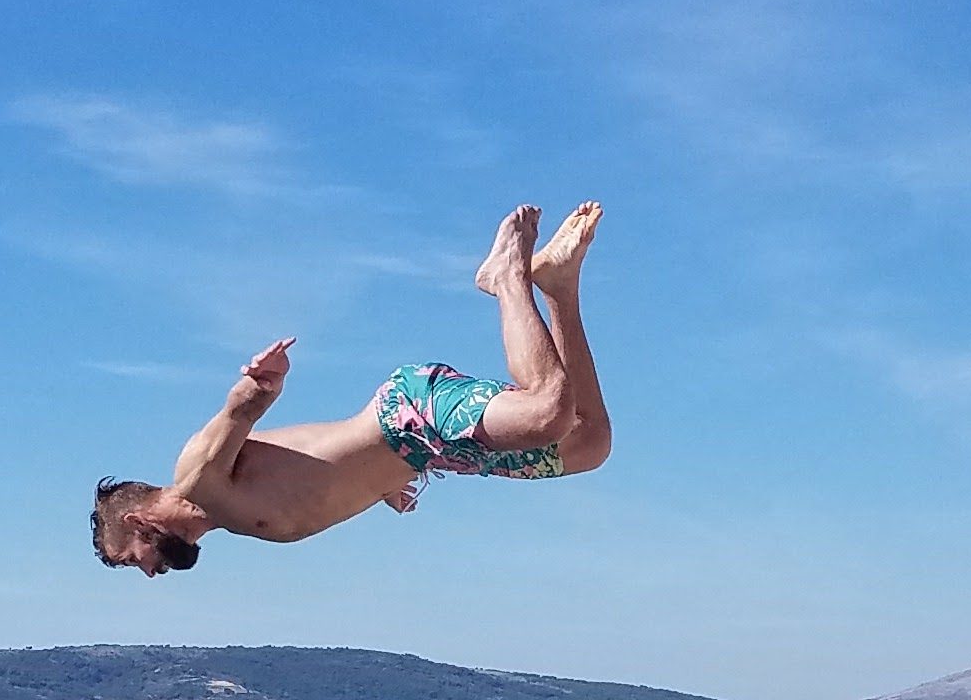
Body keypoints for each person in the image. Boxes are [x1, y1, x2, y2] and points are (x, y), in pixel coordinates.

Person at [89, 202, 610, 575]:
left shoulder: (196, 476)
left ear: (137, 522)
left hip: (410, 413)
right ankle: (559, 286)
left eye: (133, 559)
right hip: (426, 452)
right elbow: (312, 462)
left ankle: (505, 276)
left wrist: (260, 384)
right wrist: (379, 484)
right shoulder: (230, 516)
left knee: (546, 413)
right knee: (589, 444)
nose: (149, 572)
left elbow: (238, 415)